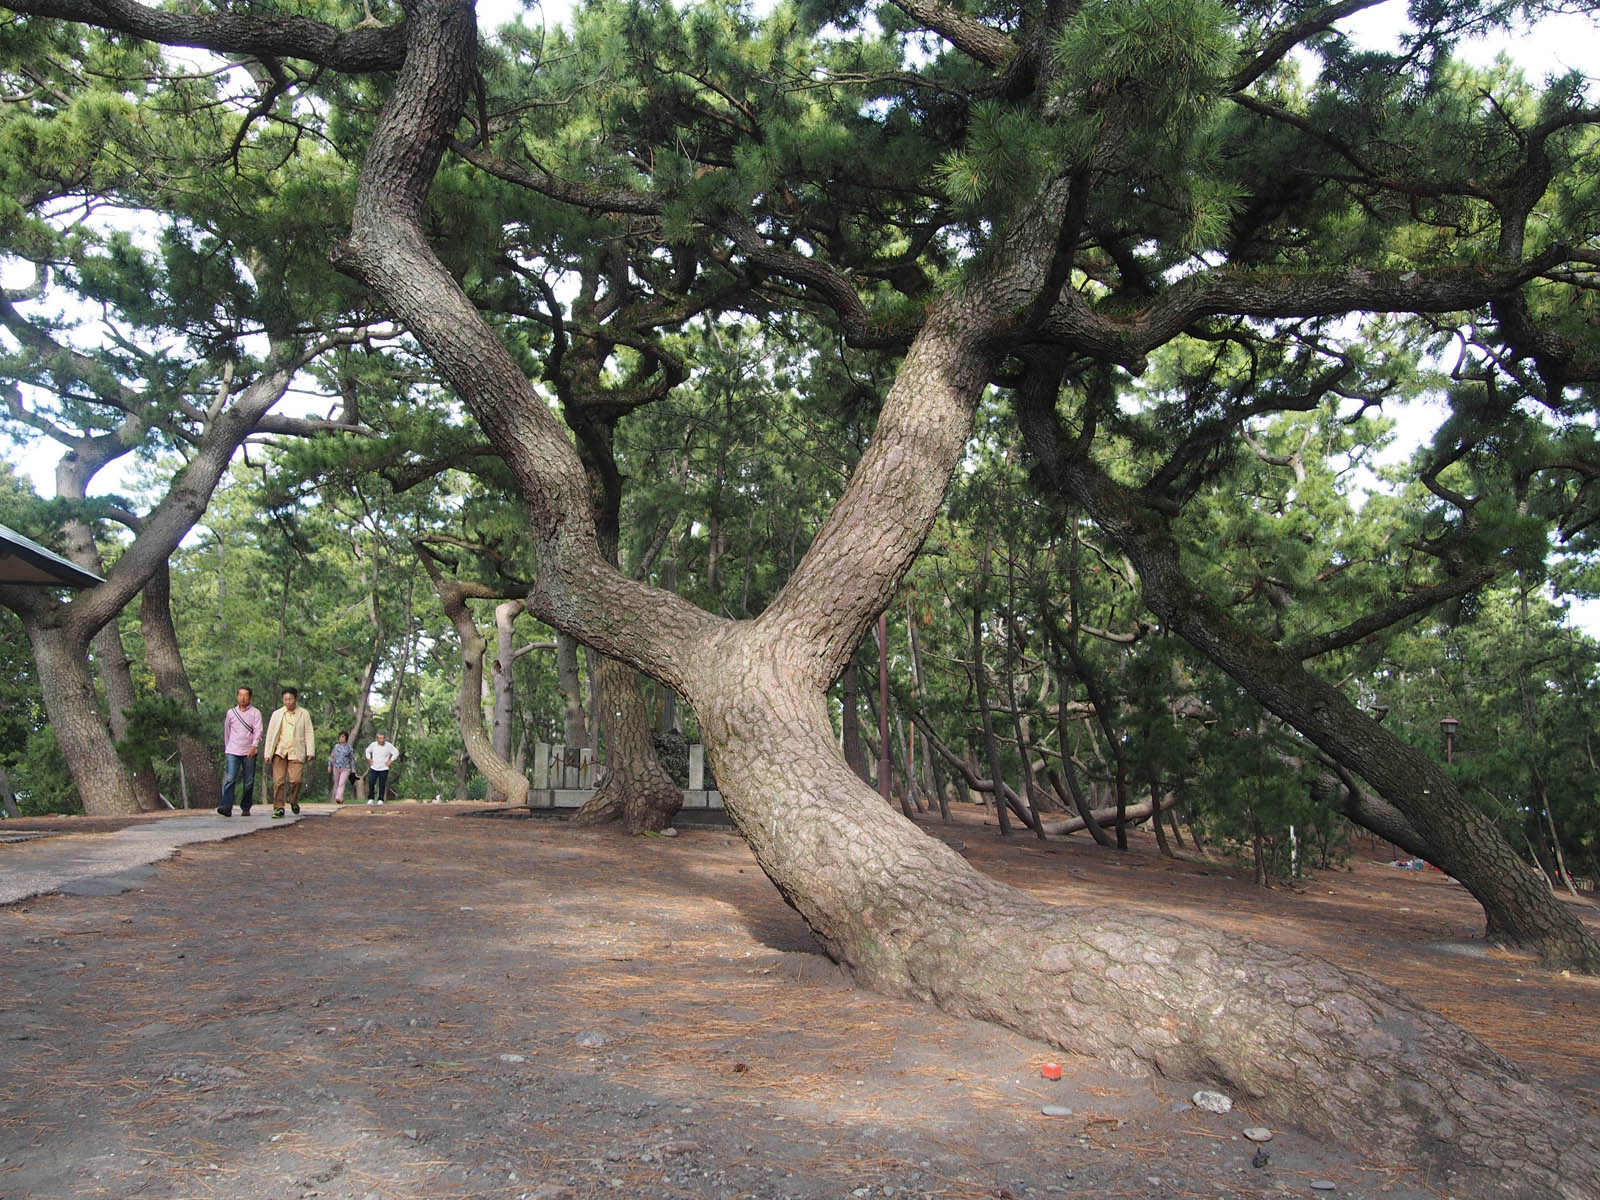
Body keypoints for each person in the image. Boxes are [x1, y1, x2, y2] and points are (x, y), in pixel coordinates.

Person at [262, 687, 315, 819]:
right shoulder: (277, 714)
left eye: (290, 699)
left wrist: (310, 751)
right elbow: (270, 734)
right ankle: (279, 808)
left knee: (296, 780)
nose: (288, 702)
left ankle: (293, 800)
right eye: (285, 699)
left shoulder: (304, 714)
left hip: (296, 751)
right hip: (279, 751)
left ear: (295, 699)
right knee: (278, 781)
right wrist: (267, 753)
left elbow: (309, 732)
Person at [216, 686, 262, 817]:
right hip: (233, 749)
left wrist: (254, 745)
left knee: (249, 780)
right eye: (240, 695)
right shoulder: (231, 713)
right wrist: (228, 747)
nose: (243, 698)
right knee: (230, 778)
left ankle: (246, 806)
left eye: (246, 695)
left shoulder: (255, 713)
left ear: (250, 697)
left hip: (249, 751)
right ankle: (226, 806)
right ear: (237, 696)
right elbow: (227, 730)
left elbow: (258, 730)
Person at [364, 731, 399, 804]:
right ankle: (371, 798)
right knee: (371, 782)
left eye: (383, 738)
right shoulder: (373, 745)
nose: (382, 740)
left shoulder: (388, 745)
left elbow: (396, 752)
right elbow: (367, 751)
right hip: (374, 767)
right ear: (377, 739)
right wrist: (369, 758)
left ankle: (380, 799)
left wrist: (391, 760)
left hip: (384, 768)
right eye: (380, 738)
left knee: (382, 784)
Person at [328, 731, 356, 804]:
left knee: (341, 783)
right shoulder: (336, 746)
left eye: (343, 736)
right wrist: (329, 765)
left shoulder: (349, 747)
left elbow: (352, 759)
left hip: (345, 768)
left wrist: (353, 769)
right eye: (340, 736)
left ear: (346, 738)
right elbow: (331, 756)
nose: (341, 738)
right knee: (337, 783)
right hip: (336, 767)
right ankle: (341, 798)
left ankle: (338, 797)